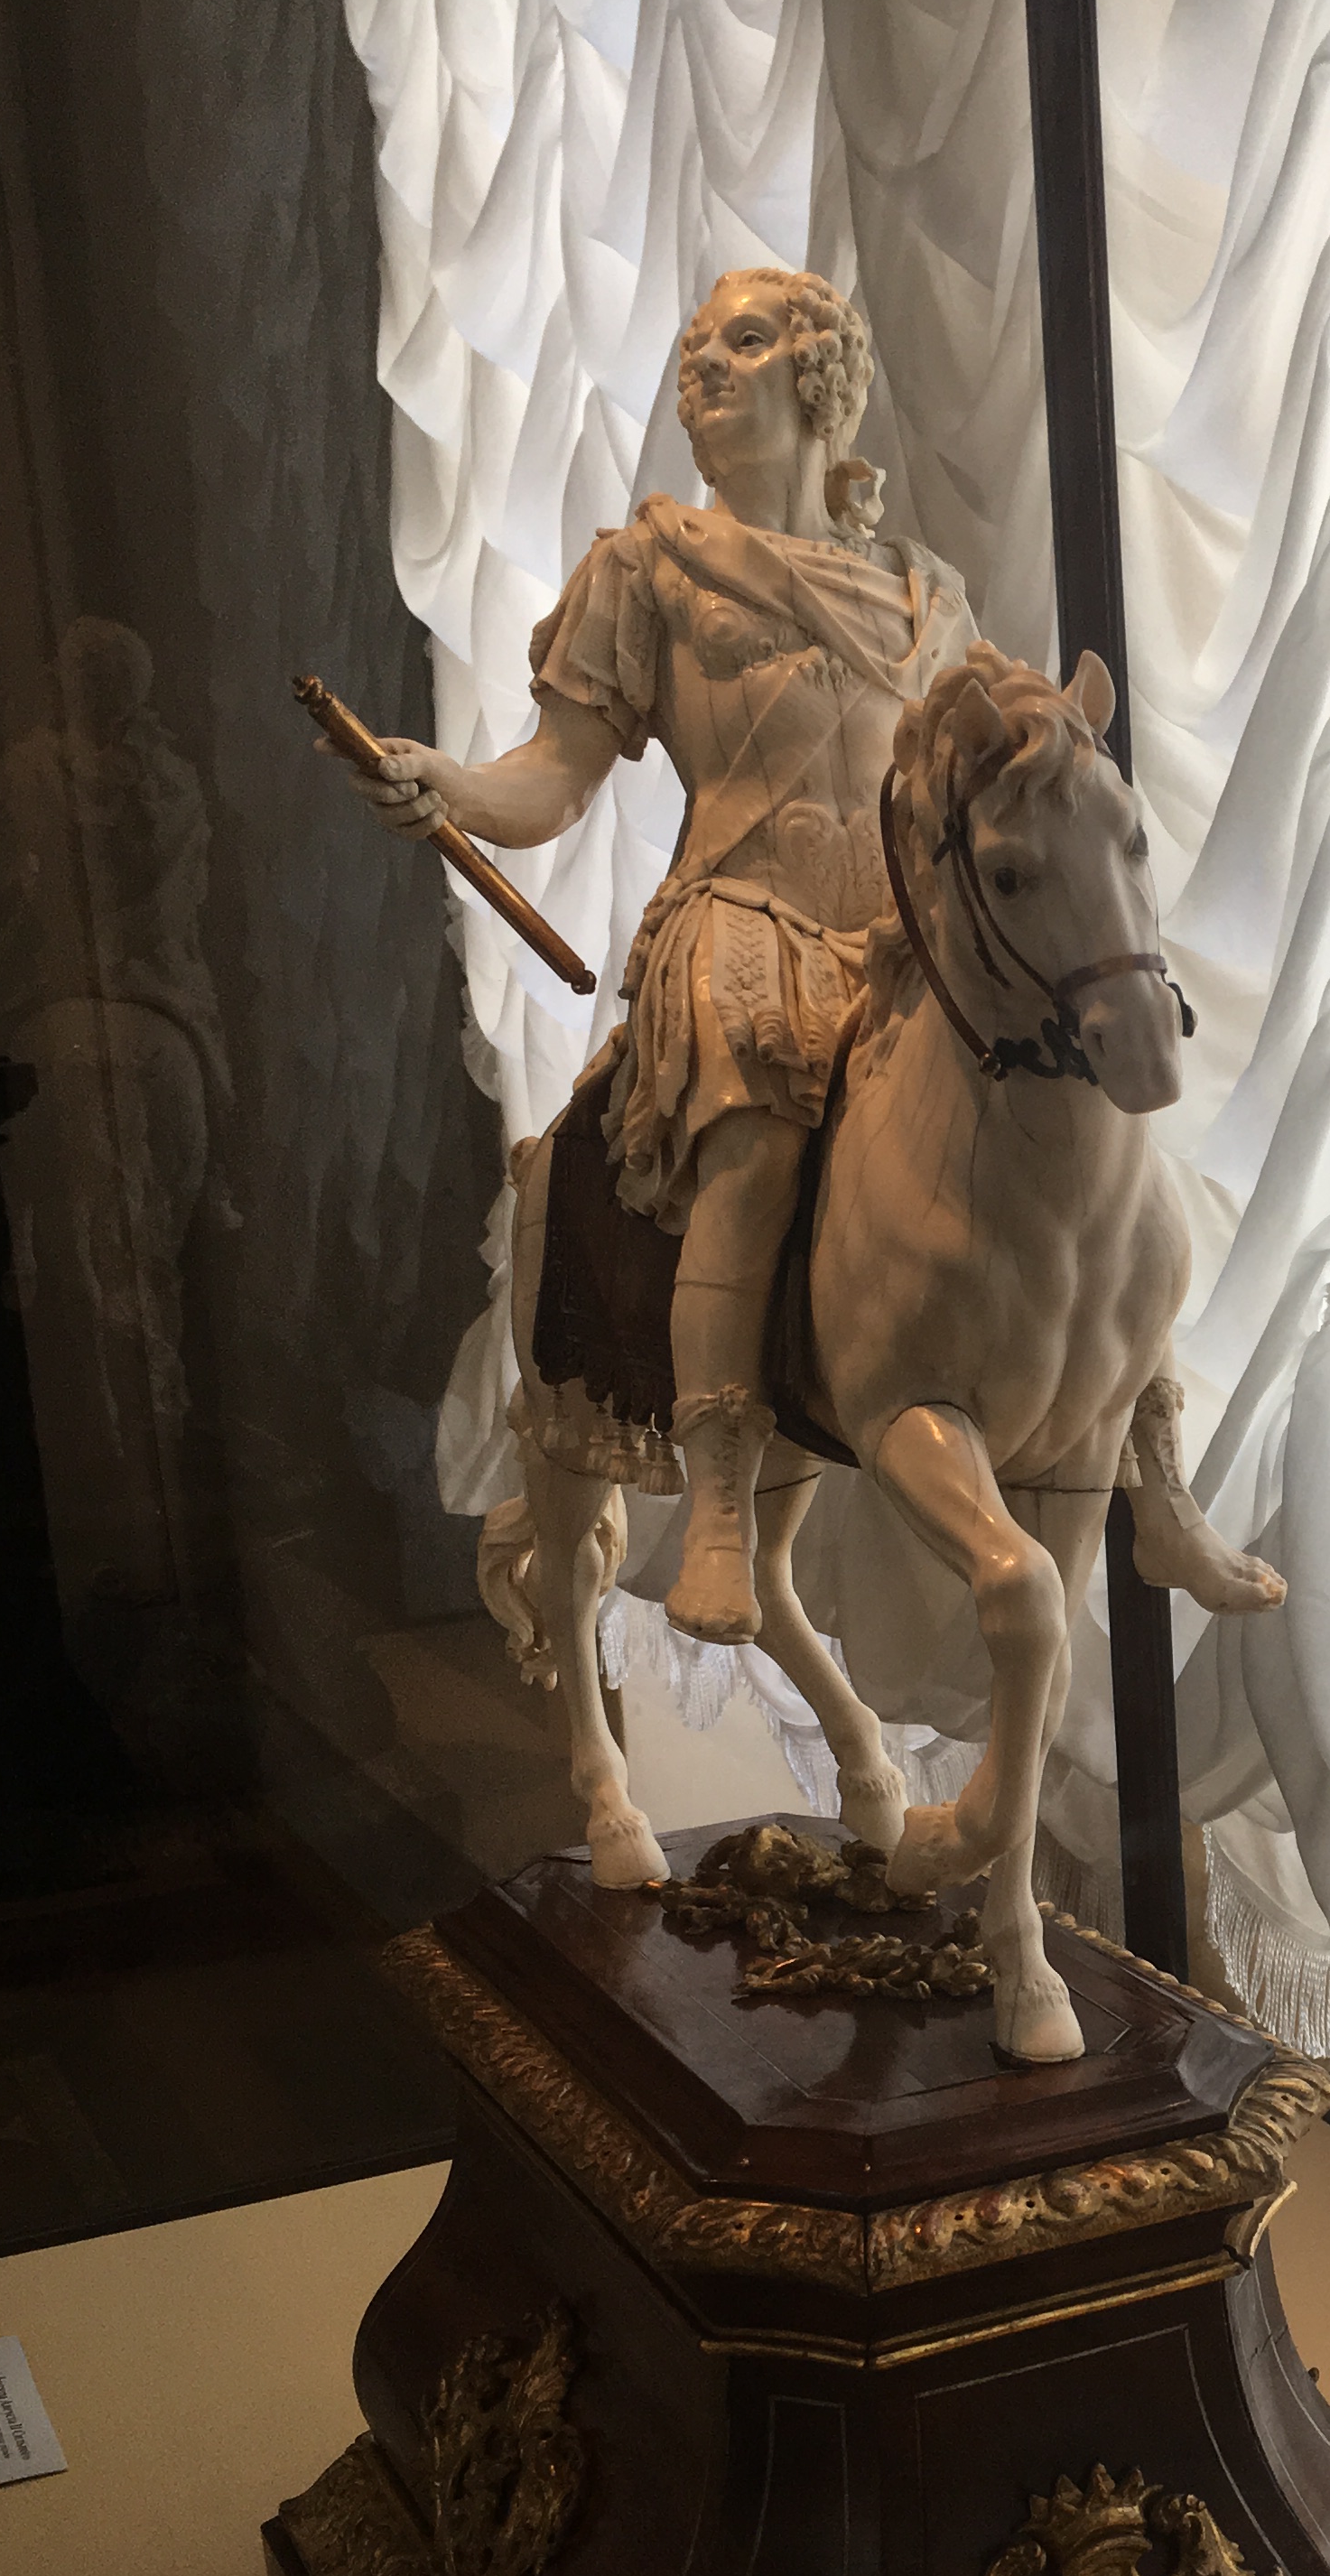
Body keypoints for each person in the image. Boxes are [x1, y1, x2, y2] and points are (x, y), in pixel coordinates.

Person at [333, 265, 973, 1638]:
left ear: (819, 374)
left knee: (1053, 1106)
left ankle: (1136, 1436)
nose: (705, 367)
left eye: (745, 341)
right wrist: (451, 785)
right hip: (742, 918)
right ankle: (722, 1505)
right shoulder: (651, 569)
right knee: (754, 1125)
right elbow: (555, 778)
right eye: (694, 351)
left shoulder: (924, 594)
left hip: (896, 944)